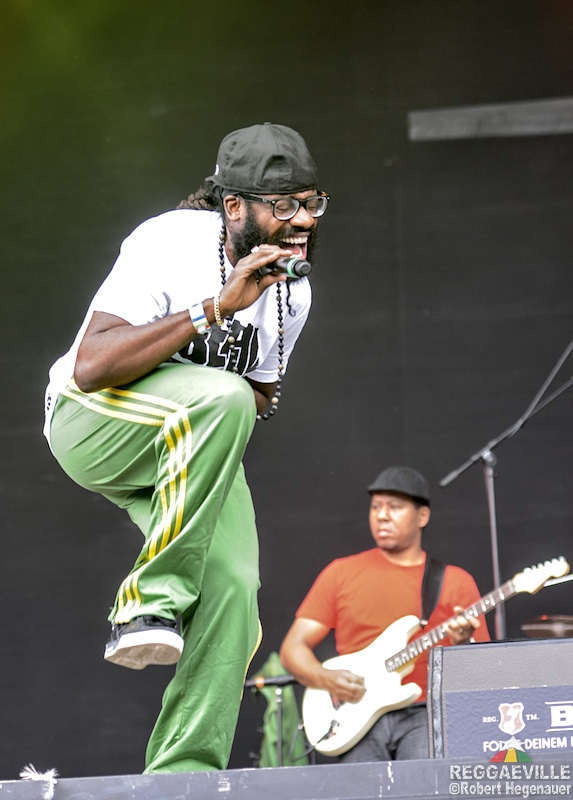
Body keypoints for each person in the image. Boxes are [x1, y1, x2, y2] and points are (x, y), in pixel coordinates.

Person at [43, 122, 329, 773]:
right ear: (235, 207)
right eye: (283, 205)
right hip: (91, 421)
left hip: (184, 444)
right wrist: (213, 310)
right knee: (221, 397)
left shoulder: (294, 292)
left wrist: (249, 383)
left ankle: (184, 773)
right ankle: (148, 602)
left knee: (234, 587)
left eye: (312, 202)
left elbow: (259, 393)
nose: (303, 219)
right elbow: (91, 365)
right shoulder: (169, 241)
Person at [279, 466, 490, 763]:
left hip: (425, 712)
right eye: (376, 507)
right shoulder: (340, 573)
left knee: (421, 785)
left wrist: (463, 644)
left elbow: (483, 672)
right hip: (356, 714)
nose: (382, 516)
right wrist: (327, 679)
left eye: (395, 507)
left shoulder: (456, 581)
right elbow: (293, 648)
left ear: (422, 516)